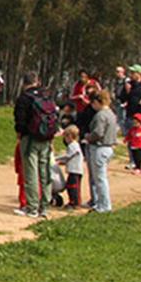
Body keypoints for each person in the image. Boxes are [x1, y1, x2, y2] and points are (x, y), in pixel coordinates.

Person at [12, 72, 57, 218]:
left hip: (29, 139)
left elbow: (20, 120)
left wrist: (20, 134)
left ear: (24, 83)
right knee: (45, 172)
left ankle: (32, 208)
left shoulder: (24, 98)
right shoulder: (46, 96)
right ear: (37, 81)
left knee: (31, 173)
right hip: (46, 138)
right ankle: (45, 207)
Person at [85, 90, 117, 213]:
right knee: (101, 178)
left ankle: (104, 205)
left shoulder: (101, 115)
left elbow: (98, 132)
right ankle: (101, 203)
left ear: (98, 102)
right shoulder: (111, 113)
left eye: (93, 103)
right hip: (108, 147)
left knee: (100, 179)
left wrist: (88, 137)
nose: (93, 106)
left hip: (100, 147)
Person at [54, 124, 84, 208]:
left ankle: (75, 202)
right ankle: (72, 201)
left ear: (70, 136)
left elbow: (68, 156)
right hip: (72, 170)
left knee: (74, 187)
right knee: (70, 186)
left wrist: (56, 158)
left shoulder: (73, 145)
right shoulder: (72, 146)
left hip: (76, 171)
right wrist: (61, 162)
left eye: (66, 137)